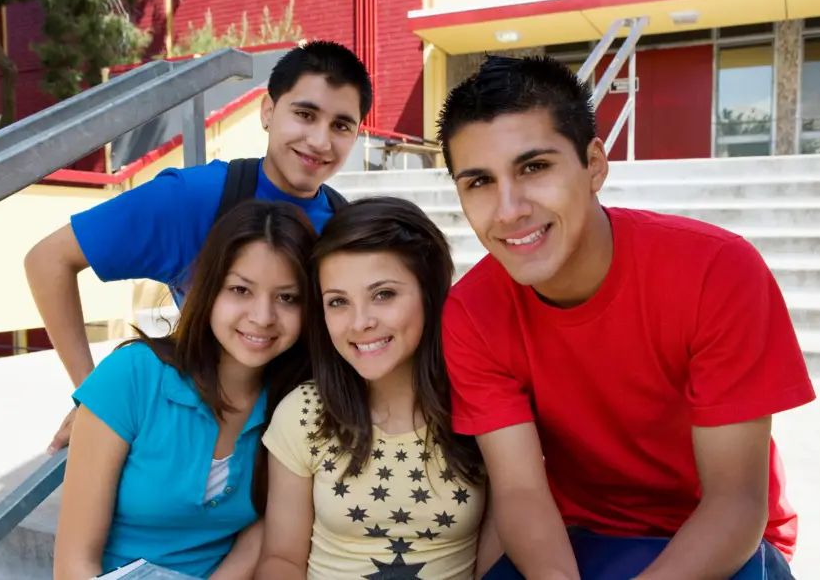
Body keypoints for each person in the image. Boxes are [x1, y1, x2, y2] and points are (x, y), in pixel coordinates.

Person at [435, 55, 817, 580]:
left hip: (715, 543)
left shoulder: (716, 270)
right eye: (478, 182)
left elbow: (735, 504)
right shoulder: (472, 312)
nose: (508, 210)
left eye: (534, 167)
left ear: (594, 165)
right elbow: (521, 491)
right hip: (576, 539)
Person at [25, 40, 373, 454]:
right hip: (199, 441)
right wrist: (93, 396)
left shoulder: (344, 225)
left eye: (341, 125)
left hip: (300, 445)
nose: (319, 140)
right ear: (267, 112)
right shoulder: (195, 197)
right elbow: (48, 259)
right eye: (304, 114)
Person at [53, 200, 318, 580]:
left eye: (287, 297)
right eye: (241, 290)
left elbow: (262, 533)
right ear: (209, 290)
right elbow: (73, 565)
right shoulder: (132, 376)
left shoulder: (297, 401)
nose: (262, 317)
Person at [255, 197, 502, 580]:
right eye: (338, 302)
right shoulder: (305, 412)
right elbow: (281, 558)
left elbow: (496, 563)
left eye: (383, 294)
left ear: (429, 293)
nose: (360, 322)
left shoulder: (481, 402)